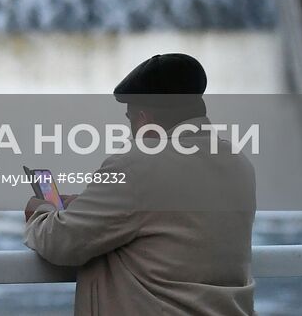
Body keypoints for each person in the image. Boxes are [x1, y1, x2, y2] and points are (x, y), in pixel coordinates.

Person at [23, 53, 256, 315]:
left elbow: (60, 242)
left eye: (130, 119)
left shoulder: (135, 166)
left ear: (144, 118)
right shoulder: (239, 163)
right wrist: (88, 206)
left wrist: (40, 213)